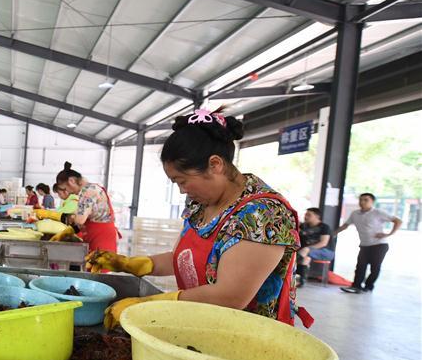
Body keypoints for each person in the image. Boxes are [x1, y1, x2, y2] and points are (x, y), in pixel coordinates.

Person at [89, 109, 309, 331]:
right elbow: (185, 260)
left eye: (182, 181)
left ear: (215, 165)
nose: (182, 191)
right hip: (200, 326)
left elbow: (230, 297)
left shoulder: (262, 214)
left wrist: (147, 305)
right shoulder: (201, 203)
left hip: (246, 340)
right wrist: (131, 264)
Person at [34, 162, 119, 250]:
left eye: (65, 189)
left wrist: (67, 218)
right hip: (101, 234)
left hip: (100, 238)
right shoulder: (93, 187)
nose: (69, 192)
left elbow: (79, 220)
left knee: (99, 262)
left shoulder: (87, 192)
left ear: (71, 181)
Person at [336, 192, 402, 293]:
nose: (362, 202)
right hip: (364, 245)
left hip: (379, 245)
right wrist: (332, 234)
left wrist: (389, 234)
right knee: (360, 266)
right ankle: (356, 287)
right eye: (361, 200)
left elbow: (398, 221)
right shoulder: (355, 213)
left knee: (375, 267)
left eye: (366, 200)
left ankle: (368, 287)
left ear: (372, 202)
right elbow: (345, 225)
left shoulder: (378, 212)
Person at [296, 207, 334, 287]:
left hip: (326, 252)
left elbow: (323, 243)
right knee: (306, 257)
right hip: (309, 252)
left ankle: (289, 270)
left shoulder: (324, 227)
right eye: (305, 214)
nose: (306, 217)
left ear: (317, 216)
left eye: (309, 215)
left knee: (305, 251)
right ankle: (301, 281)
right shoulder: (303, 226)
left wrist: (307, 249)